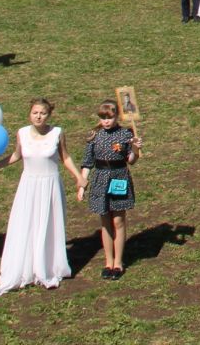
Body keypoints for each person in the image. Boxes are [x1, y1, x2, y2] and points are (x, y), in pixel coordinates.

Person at [0, 97, 86, 294]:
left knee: (49, 224)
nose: (38, 116)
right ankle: (26, 265)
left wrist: (78, 176)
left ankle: (47, 266)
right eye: (35, 112)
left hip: (50, 185)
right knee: (26, 223)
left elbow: (65, 157)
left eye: (42, 113)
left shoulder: (57, 133)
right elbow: (16, 156)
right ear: (30, 113)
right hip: (29, 186)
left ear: (48, 115)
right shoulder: (22, 133)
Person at [78, 99, 140, 279]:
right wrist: (82, 183)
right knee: (105, 222)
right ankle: (108, 261)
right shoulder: (94, 135)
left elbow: (131, 160)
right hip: (100, 179)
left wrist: (135, 149)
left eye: (110, 117)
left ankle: (119, 263)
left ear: (117, 116)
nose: (106, 121)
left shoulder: (126, 134)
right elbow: (87, 162)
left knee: (118, 221)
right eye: (102, 117)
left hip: (119, 177)